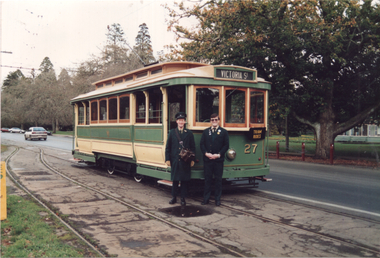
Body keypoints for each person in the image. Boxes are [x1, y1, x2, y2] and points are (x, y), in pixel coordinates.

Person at [165, 112, 195, 206]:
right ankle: (174, 197)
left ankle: (183, 198)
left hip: (185, 160)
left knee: (184, 180)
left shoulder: (189, 133)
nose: (181, 122)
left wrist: (192, 159)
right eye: (179, 120)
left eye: (182, 120)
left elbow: (193, 147)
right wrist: (167, 159)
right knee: (175, 180)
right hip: (175, 160)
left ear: (184, 122)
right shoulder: (172, 132)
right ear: (177, 121)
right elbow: (168, 147)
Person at [200, 113, 229, 206]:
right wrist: (206, 153)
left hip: (218, 160)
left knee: (218, 180)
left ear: (219, 120)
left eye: (216, 120)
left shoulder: (224, 132)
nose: (214, 121)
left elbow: (226, 145)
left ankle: (217, 199)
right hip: (208, 160)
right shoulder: (205, 132)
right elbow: (202, 144)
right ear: (210, 121)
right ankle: (206, 199)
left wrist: (218, 155)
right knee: (207, 180)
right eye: (212, 120)